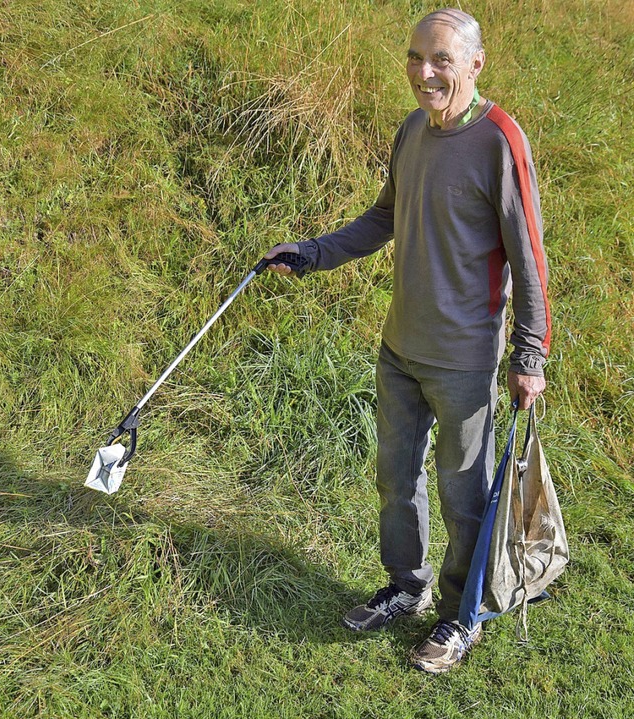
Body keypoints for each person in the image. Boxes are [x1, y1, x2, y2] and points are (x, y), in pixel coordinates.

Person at [264, 8, 550, 674]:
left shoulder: (500, 141)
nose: (425, 73)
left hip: (463, 359)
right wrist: (312, 252)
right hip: (400, 349)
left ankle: (462, 614)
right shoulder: (412, 131)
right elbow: (384, 217)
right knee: (396, 478)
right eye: (416, 57)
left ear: (475, 64)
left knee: (462, 492)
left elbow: (529, 257)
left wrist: (527, 355)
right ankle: (406, 585)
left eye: (441, 60)